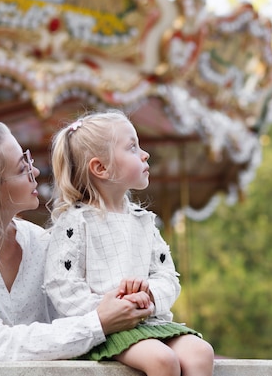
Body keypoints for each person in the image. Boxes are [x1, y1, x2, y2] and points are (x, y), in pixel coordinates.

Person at [0, 119, 151, 361]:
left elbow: (70, 311)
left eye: (27, 158)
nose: (35, 170)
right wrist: (97, 322)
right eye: (22, 168)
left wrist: (125, 300)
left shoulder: (40, 241)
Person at [44, 110, 214, 376]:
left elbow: (167, 276)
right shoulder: (74, 223)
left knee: (201, 352)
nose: (144, 154)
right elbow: (61, 285)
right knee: (162, 361)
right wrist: (109, 309)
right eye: (132, 147)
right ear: (101, 168)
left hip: (149, 321)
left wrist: (147, 296)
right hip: (107, 328)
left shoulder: (142, 221)